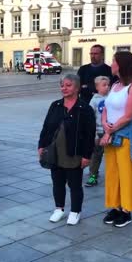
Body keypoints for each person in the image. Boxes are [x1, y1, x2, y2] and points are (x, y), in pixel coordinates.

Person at [38, 74, 95, 225]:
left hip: (74, 152)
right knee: (57, 182)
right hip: (55, 151)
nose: (64, 88)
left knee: (75, 184)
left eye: (68, 85)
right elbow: (46, 127)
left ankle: (75, 211)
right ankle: (59, 209)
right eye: (62, 85)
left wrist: (86, 156)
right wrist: (41, 145)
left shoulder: (85, 109)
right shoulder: (55, 105)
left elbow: (90, 134)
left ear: (77, 87)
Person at [100, 51, 132, 228]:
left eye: (113, 61)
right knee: (112, 174)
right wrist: (105, 126)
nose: (111, 64)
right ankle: (115, 206)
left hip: (126, 137)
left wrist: (110, 130)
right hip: (111, 137)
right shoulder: (115, 85)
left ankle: (126, 210)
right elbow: (106, 108)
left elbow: (128, 115)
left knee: (127, 174)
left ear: (121, 64)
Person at [85, 76, 111, 187]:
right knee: (96, 156)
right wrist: (94, 135)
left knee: (111, 156)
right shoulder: (94, 100)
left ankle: (113, 176)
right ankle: (93, 175)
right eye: (104, 85)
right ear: (97, 87)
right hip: (99, 132)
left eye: (108, 85)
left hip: (110, 132)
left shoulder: (112, 98)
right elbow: (90, 119)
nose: (107, 87)